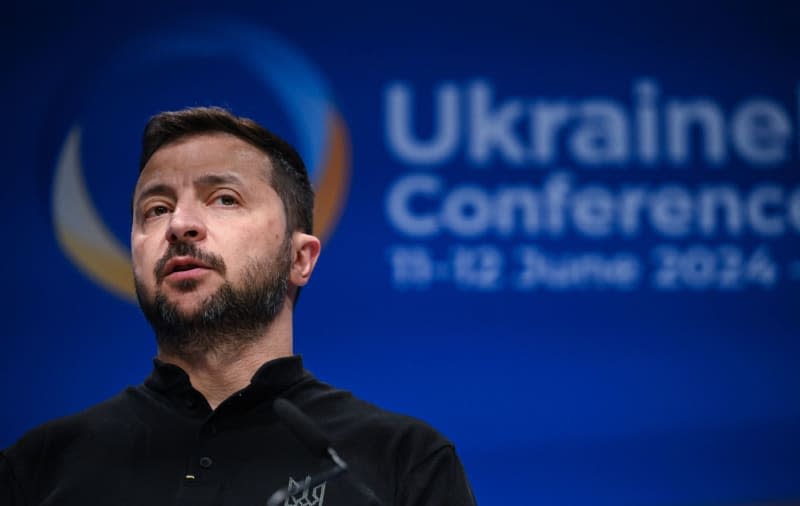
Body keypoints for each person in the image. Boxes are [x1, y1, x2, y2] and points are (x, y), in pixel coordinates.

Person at [0, 107, 476, 505]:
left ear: (299, 258)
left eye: (224, 199)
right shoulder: (38, 467)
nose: (180, 224)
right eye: (156, 209)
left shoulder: (400, 463)